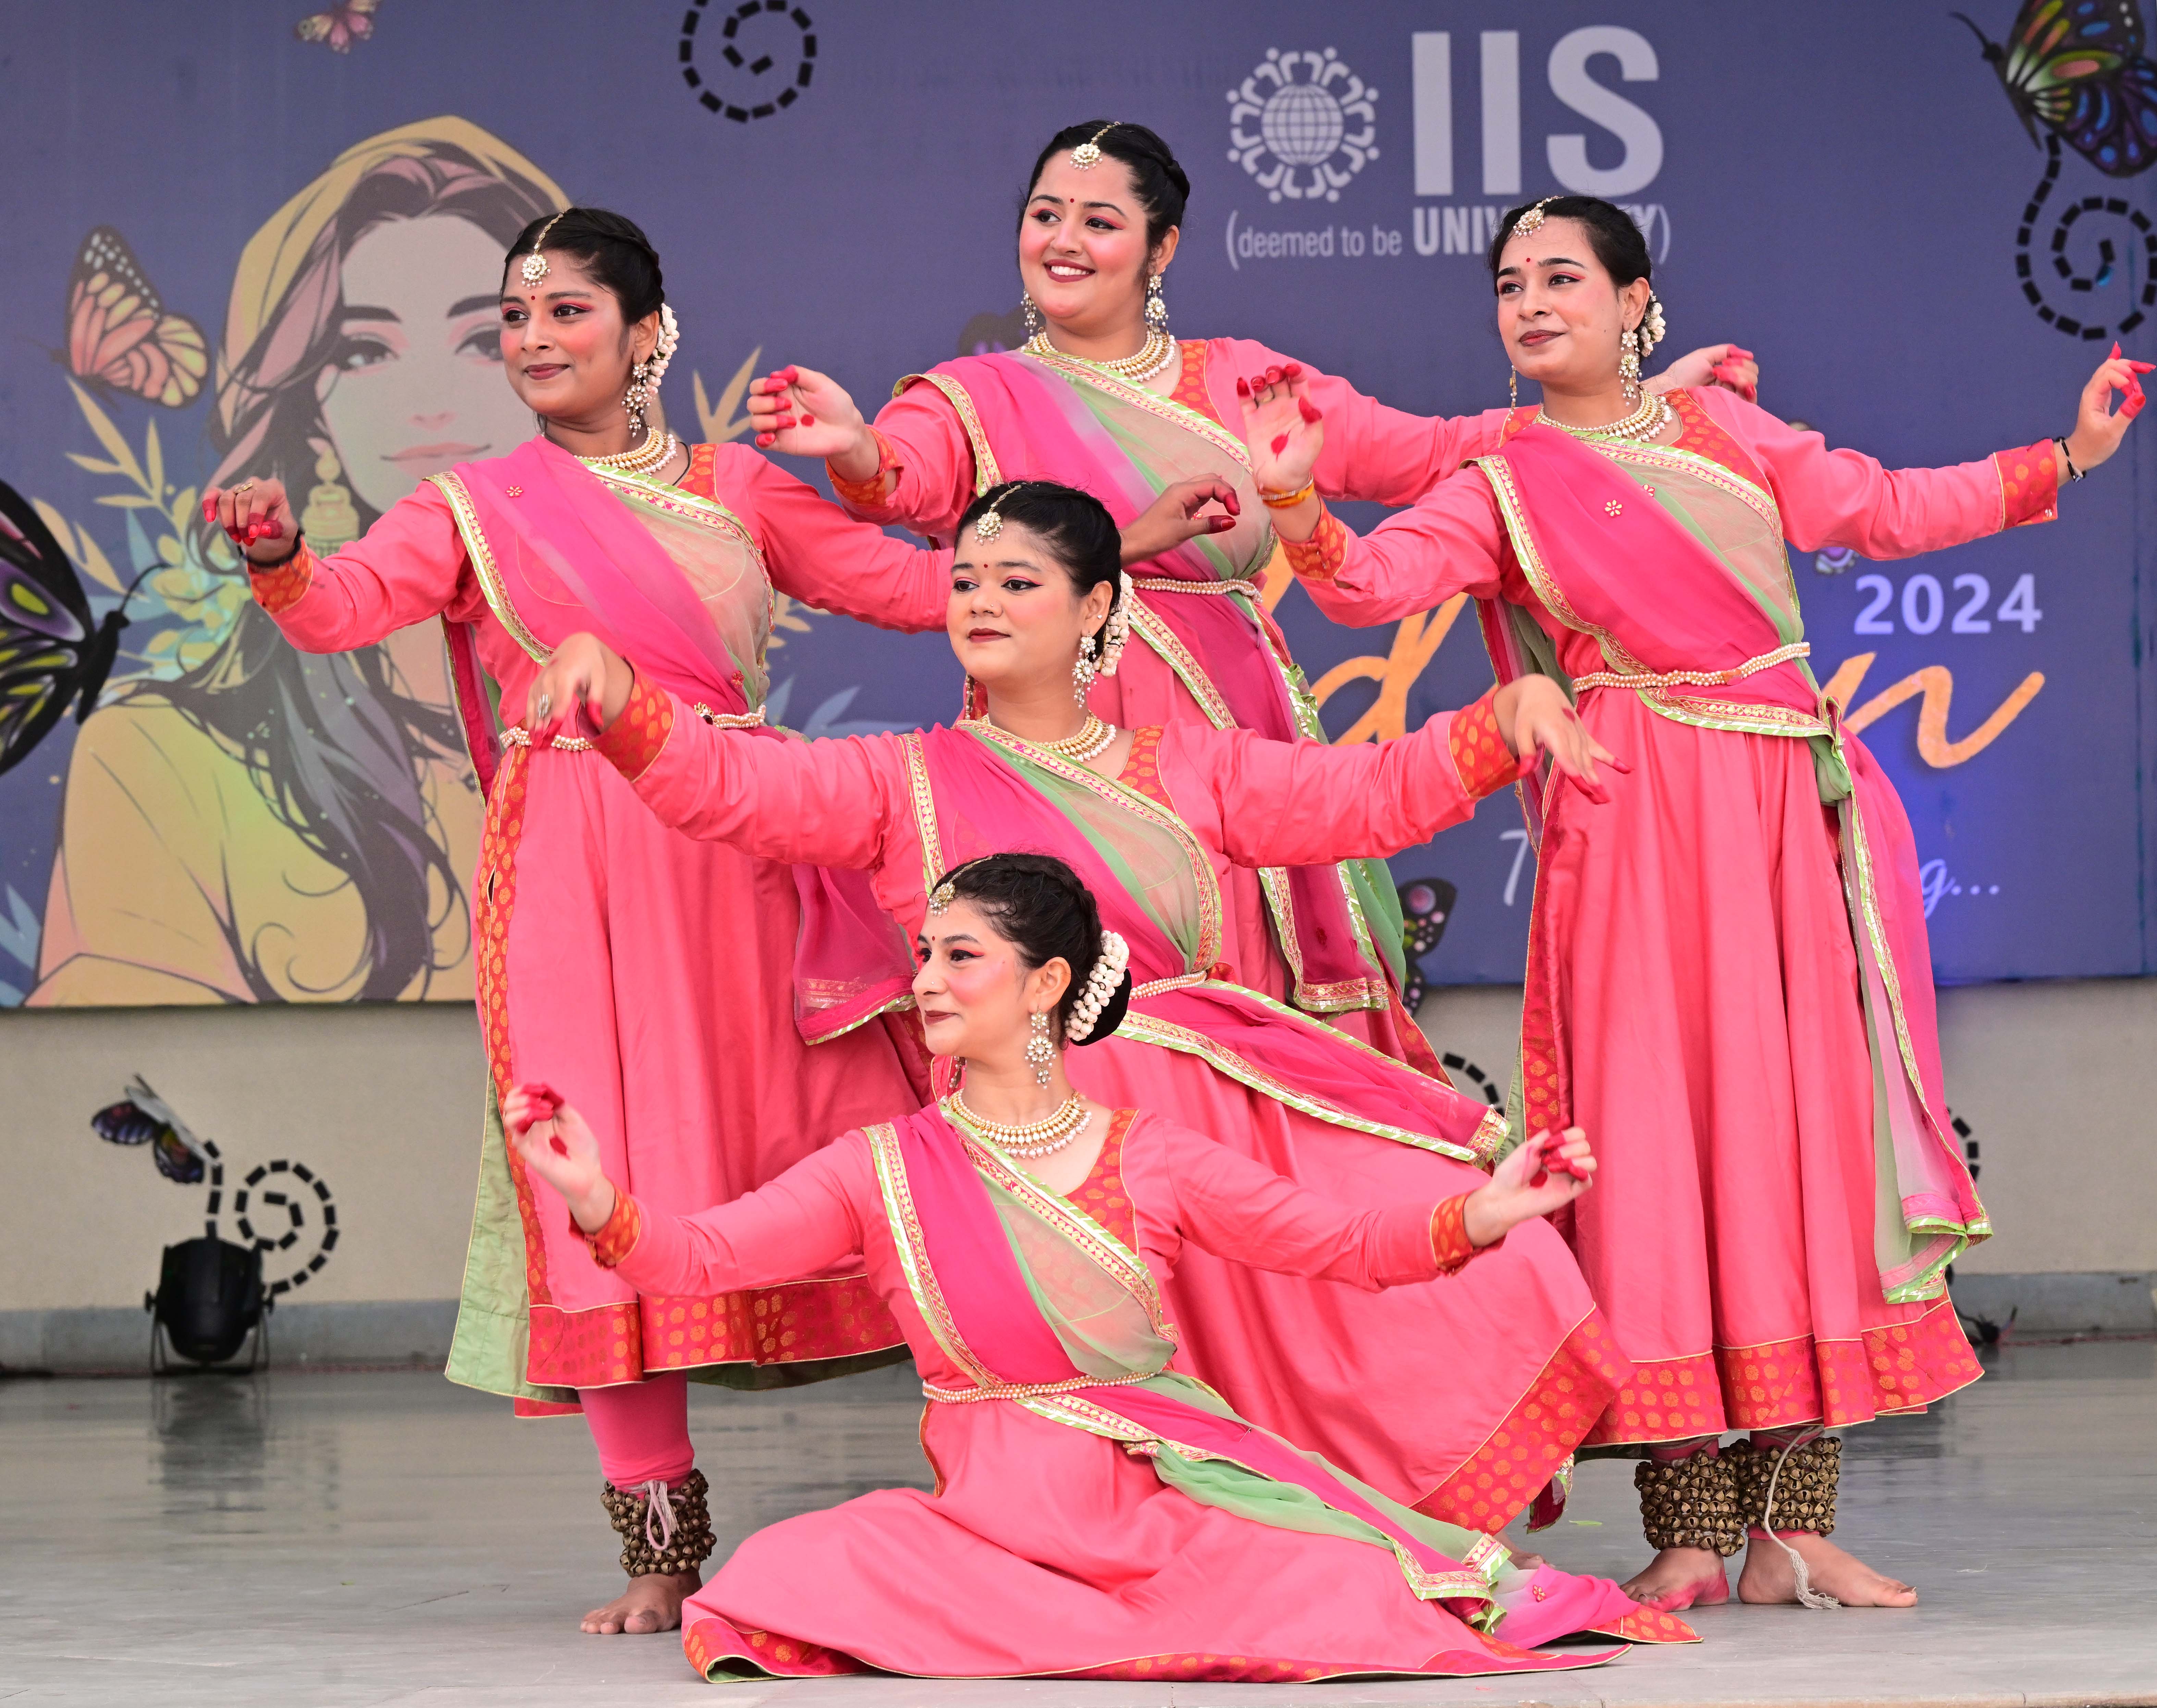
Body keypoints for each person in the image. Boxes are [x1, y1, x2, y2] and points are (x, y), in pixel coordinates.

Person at [1243, 191, 2149, 1610]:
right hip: (1629, 814)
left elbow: (1882, 506)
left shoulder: (1725, 432)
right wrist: (1297, 500)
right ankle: (1684, 1528)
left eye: (1561, 277)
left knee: (1791, 1140)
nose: (1531, 303)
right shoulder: (1500, 478)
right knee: (1648, 1145)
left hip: (1778, 808)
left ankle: (1792, 1529)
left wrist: (2066, 457)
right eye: (1509, 285)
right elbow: (1367, 587)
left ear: (1632, 300)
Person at [526, 479, 1631, 1543]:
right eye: (967, 582)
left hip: (1216, 1129)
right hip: (1041, 1161)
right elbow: (732, 789)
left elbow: (1368, 795)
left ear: (1097, 604)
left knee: (1484, 1253)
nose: (982, 604)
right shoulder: (901, 783)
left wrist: (1509, 715)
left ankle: (1340, 1533)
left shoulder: (1189, 769)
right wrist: (619, 694)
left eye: (1018, 582)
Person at [200, 206, 978, 1637]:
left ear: (646, 332)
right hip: (571, 868)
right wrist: (280, 555)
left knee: (874, 1150)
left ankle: (1003, 1493)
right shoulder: (473, 507)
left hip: (744, 848)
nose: (534, 338)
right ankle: (661, 1550)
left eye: (567, 310)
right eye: (516, 316)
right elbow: (341, 607)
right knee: (597, 1164)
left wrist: (1110, 559)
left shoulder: (741, 486)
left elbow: (911, 586)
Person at [502, 851, 1700, 1680]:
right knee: (785, 1571)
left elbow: (1342, 1246)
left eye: (960, 956)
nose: (924, 979)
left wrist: (1485, 1210)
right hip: (990, 1526)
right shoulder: (880, 1167)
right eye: (923, 953)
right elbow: (704, 1256)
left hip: (1162, 1499)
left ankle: (1176, 1606)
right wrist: (593, 1195)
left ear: (1046, 986)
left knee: (1343, 1589)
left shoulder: (1151, 1155)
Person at [741, 119, 1757, 1070]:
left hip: (1229, 724)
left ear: (1162, 248)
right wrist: (857, 446)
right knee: (1069, 996)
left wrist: (1629, 409)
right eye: (1046, 215)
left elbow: (1431, 451)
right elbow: (905, 478)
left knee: (1248, 994)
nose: (1064, 241)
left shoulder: (1242, 381)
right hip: (1054, 733)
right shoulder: (975, 396)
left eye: (1100, 221)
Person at [33, 117, 563, 1004]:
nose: (429, 401)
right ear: (310, 401)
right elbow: (145, 1080)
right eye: (365, 349)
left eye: (484, 338)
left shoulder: (655, 723)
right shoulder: (163, 760)